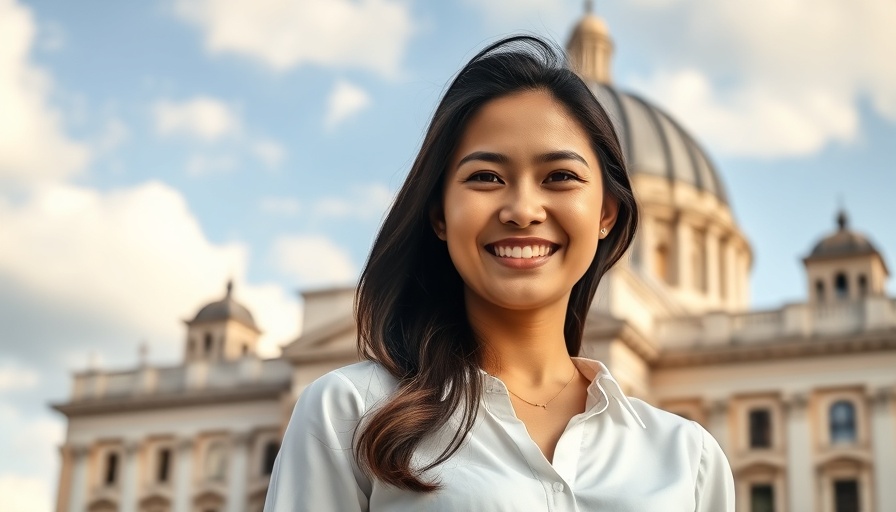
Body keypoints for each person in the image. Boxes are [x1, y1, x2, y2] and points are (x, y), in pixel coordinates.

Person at [263, 35, 735, 511]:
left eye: (559, 177)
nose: (523, 210)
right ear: (440, 214)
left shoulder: (688, 457)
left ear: (606, 214)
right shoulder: (348, 413)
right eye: (486, 177)